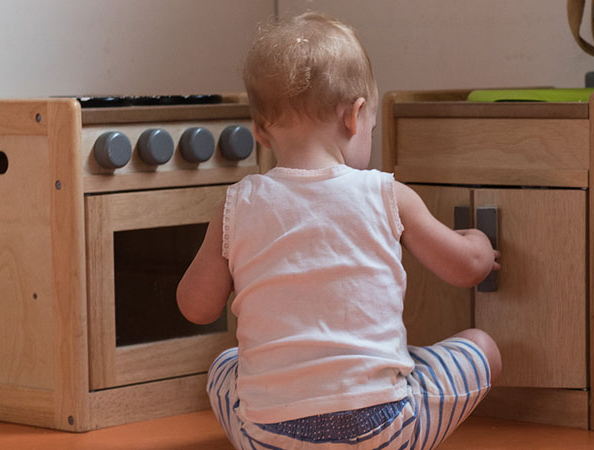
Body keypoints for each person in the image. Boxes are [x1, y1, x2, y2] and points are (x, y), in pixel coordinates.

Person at [176, 12, 501, 449]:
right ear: (355, 115)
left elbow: (196, 308)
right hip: (386, 430)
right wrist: (478, 242)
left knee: (225, 364)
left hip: (268, 436)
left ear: (260, 132)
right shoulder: (386, 194)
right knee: (481, 345)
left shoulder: (237, 204)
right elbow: (469, 268)